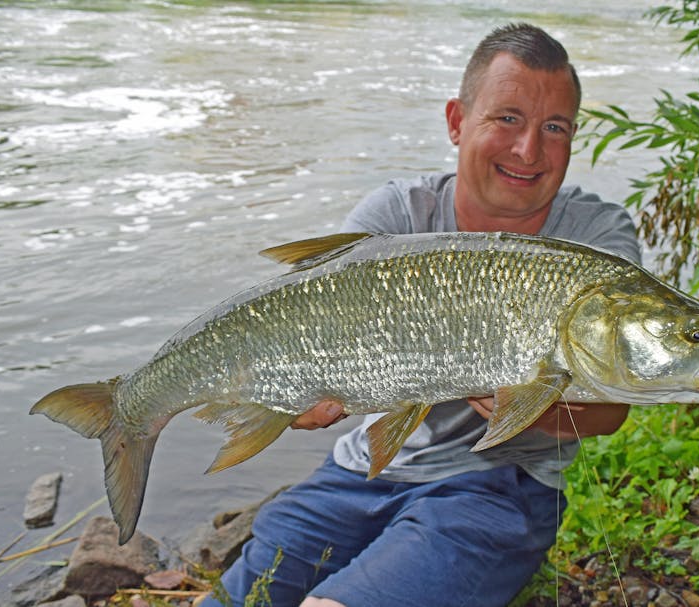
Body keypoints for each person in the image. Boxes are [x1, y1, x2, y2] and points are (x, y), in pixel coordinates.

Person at [202, 23, 641, 607]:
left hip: (498, 485)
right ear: (457, 121)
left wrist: (530, 411)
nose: (528, 150)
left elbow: (612, 412)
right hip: (359, 472)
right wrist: (287, 402)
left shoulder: (593, 241)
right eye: (507, 118)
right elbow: (294, 331)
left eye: (553, 128)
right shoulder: (395, 215)